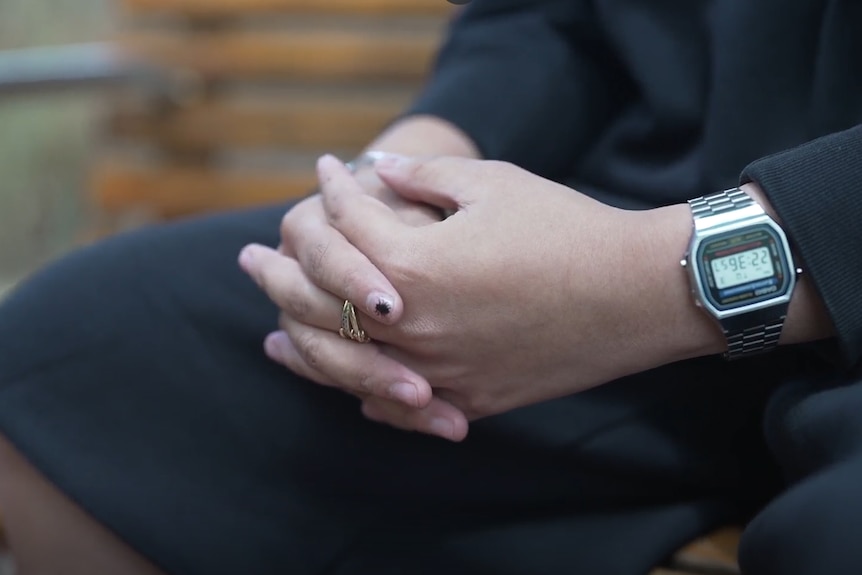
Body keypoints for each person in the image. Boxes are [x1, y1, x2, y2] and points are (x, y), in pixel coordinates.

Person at [0, 0, 860, 573]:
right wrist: (395, 183)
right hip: (586, 243)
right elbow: (544, 21)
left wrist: (643, 279)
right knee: (74, 359)